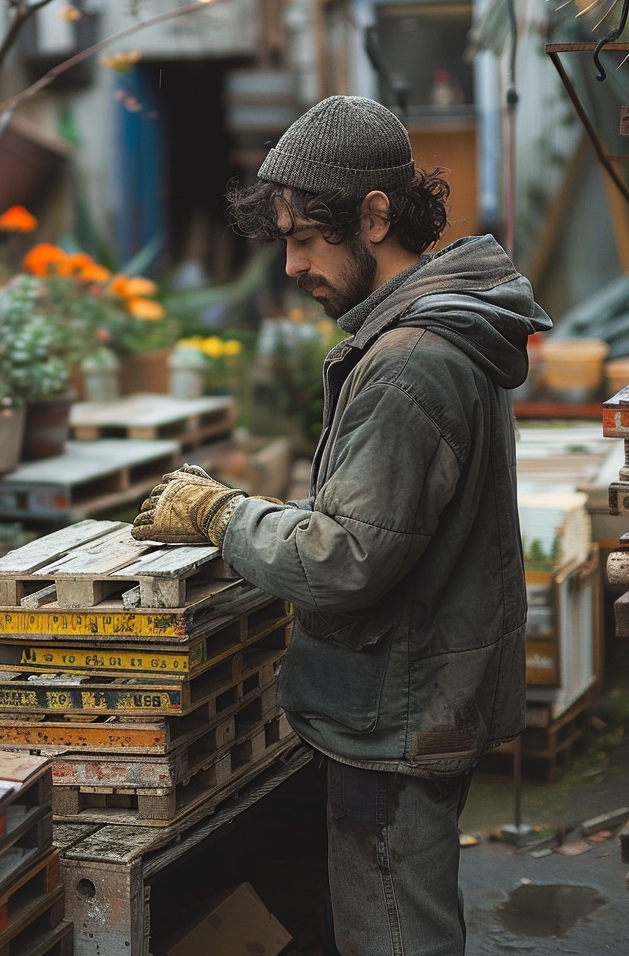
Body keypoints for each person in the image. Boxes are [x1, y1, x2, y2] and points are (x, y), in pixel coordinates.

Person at [131, 95, 552, 956]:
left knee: (397, 933)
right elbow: (384, 526)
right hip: (419, 691)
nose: (289, 265)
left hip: (394, 716)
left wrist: (221, 511)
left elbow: (345, 560)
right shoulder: (430, 331)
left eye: (304, 240)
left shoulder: (410, 364)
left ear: (373, 215)